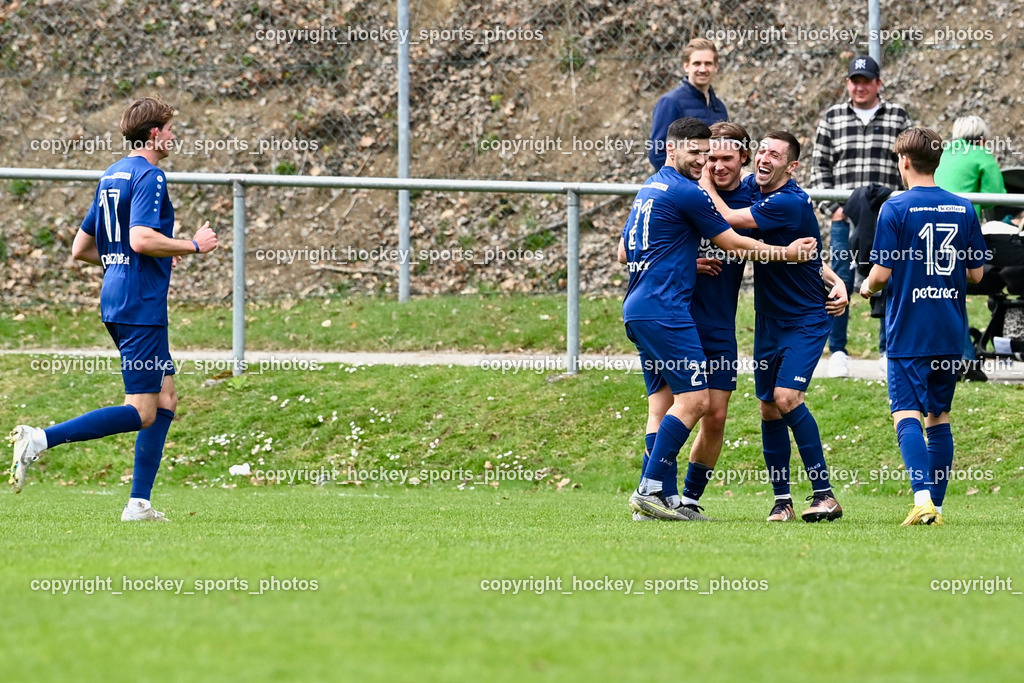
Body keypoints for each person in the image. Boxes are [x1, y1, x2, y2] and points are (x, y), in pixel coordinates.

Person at [8, 97, 218, 521]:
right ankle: (40, 439)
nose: (174, 136)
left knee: (166, 397)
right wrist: (192, 245)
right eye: (170, 129)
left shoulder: (112, 174)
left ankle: (139, 504)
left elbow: (81, 248)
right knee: (142, 411)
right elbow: (141, 238)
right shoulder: (151, 175)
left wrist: (146, 257)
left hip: (118, 297)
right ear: (154, 134)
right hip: (140, 305)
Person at [619, 118, 816, 522]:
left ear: (743, 159)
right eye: (704, 155)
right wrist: (684, 260)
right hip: (673, 312)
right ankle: (654, 491)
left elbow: (788, 233)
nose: (711, 163)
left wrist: (829, 279)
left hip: (707, 319)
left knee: (713, 413)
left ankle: (681, 499)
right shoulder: (688, 191)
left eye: (721, 156)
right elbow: (732, 241)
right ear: (674, 150)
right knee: (678, 404)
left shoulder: (750, 195)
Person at [678, 125, 848, 518]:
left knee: (787, 398)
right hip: (768, 318)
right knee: (769, 408)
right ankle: (782, 502)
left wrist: (704, 179)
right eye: (763, 151)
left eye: (775, 154)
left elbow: (727, 218)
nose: (765, 158)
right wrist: (835, 277)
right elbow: (803, 249)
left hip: (805, 317)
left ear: (792, 166)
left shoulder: (788, 201)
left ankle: (825, 495)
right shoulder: (757, 188)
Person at [859, 127, 987, 525]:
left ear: (904, 162)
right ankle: (938, 507)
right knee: (939, 417)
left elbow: (881, 273)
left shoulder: (895, 208)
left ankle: (922, 500)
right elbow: (977, 274)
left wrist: (866, 286)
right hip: (950, 330)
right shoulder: (963, 207)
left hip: (909, 329)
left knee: (906, 413)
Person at [809, 55, 912, 377]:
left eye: (866, 81)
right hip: (846, 216)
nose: (860, 87)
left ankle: (888, 348)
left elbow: (909, 162)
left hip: (887, 216)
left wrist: (903, 207)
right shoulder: (832, 117)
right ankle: (838, 350)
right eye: (855, 81)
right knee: (838, 278)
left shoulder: (897, 116)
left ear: (878, 83)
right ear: (847, 84)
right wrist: (833, 208)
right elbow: (819, 167)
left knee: (890, 276)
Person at [935, 115, 1006, 382]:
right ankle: (964, 358)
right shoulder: (981, 154)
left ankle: (952, 357)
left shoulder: (943, 152)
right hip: (958, 230)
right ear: (982, 138)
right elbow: (995, 198)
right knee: (955, 293)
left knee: (941, 293)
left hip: (927, 227)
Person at [647, 38, 728, 171]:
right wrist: (685, 181)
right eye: (697, 63)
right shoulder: (670, 102)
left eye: (708, 63)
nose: (702, 69)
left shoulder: (720, 107)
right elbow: (657, 153)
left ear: (716, 67)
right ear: (686, 66)